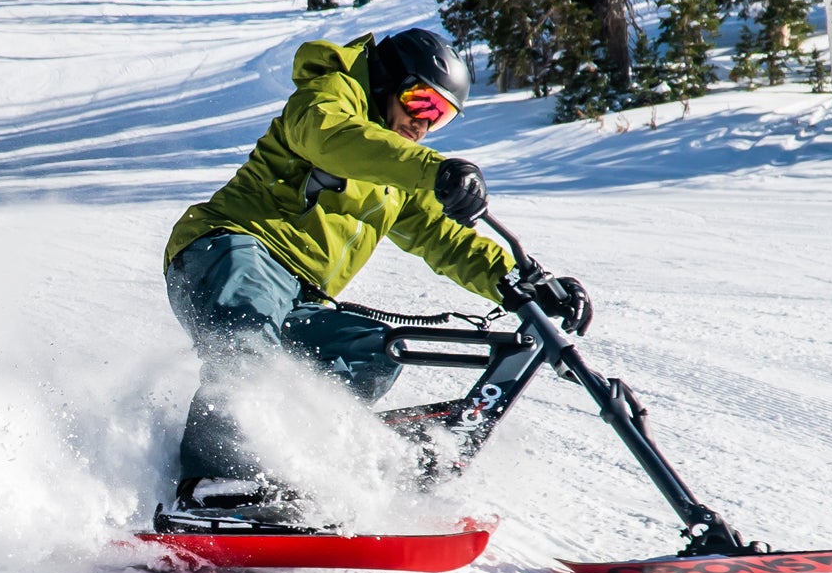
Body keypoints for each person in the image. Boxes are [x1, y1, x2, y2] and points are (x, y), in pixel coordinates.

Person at [160, 27, 591, 528]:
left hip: (305, 296)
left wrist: (523, 281)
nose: (422, 125)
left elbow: (442, 237)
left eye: (440, 116)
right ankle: (215, 486)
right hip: (233, 247)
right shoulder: (328, 96)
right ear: (386, 81)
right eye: (419, 102)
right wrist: (433, 170)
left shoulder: (397, 168)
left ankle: (288, 464)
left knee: (376, 352)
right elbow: (331, 139)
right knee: (246, 336)